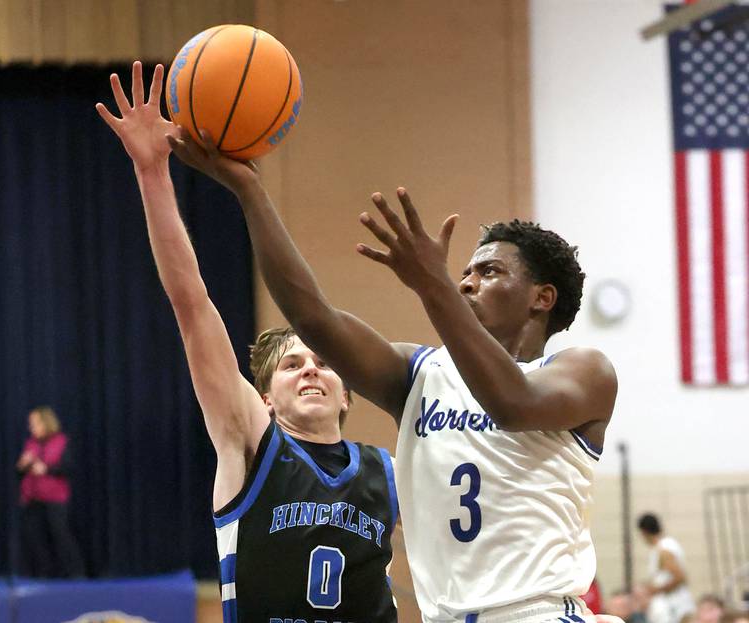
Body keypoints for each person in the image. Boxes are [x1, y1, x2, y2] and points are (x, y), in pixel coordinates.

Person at [168, 104, 618, 622]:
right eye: (464, 272)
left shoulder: (584, 371)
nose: (467, 281)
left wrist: (434, 287)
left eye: (489, 272)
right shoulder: (420, 373)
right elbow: (313, 318)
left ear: (542, 297)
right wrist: (251, 193)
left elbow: (511, 403)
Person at [96, 62, 398, 623]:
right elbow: (192, 306)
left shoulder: (391, 473)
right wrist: (152, 172)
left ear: (348, 394)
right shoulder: (249, 441)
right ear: (263, 398)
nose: (310, 370)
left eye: (323, 363)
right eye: (290, 366)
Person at [16, 405, 85, 578]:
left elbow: (69, 468)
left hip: (55, 498)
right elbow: (19, 473)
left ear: (46, 423)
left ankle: (76, 574)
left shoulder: (61, 442)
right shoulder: (30, 444)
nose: (31, 427)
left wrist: (46, 469)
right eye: (30, 424)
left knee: (61, 536)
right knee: (36, 539)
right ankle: (45, 575)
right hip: (33, 498)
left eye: (35, 423)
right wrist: (22, 466)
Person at [637, 513, 696, 623]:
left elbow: (679, 577)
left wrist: (654, 590)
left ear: (643, 532)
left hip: (674, 607)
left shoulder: (664, 549)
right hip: (673, 605)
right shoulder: (663, 547)